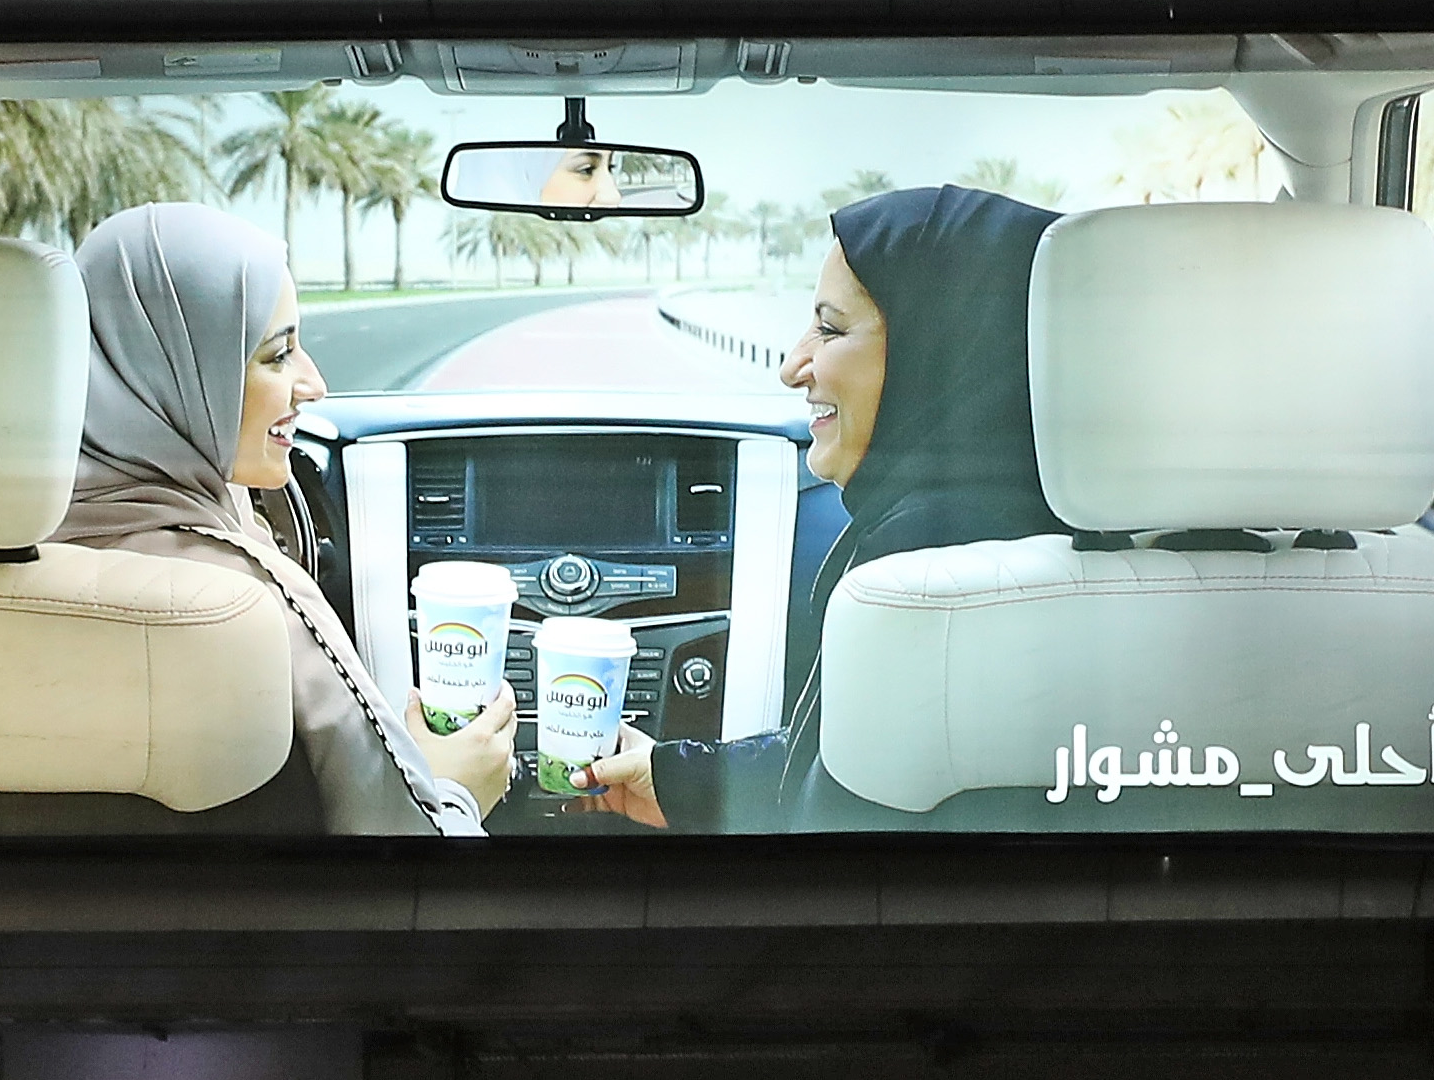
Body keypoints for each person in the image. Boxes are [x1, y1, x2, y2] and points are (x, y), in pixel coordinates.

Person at [572, 183, 1065, 832]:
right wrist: (676, 776)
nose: (790, 365)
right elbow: (839, 774)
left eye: (829, 329)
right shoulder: (1107, 542)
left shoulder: (913, 578)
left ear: (938, 350)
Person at [60, 203, 513, 836]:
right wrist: (457, 787)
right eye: (278, 356)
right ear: (179, 374)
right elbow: (401, 853)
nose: (314, 383)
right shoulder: (237, 595)